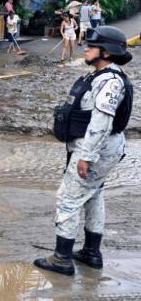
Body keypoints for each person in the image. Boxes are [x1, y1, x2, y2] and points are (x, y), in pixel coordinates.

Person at [34, 26, 133, 276]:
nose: (85, 47)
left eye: (92, 45)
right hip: (99, 148)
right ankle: (91, 252)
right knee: (93, 195)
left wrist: (86, 156)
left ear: (107, 53)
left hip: (96, 149)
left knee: (68, 199)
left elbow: (101, 123)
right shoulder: (101, 76)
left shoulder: (109, 81)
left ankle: (62, 259)